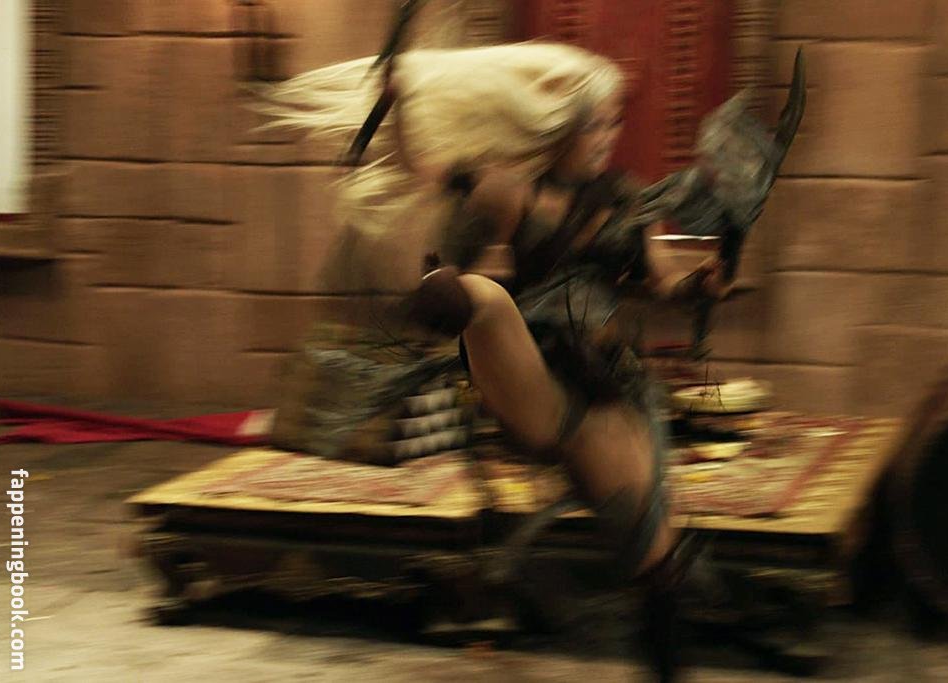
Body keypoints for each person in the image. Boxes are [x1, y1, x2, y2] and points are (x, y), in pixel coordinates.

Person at [262, 42, 738, 680]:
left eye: (614, 123)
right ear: (561, 125)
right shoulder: (507, 190)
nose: (607, 136)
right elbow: (421, 171)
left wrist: (698, 283)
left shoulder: (625, 198)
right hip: (531, 374)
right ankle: (460, 304)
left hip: (607, 389)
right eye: (594, 124)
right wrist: (396, 108)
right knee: (484, 299)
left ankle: (666, 663)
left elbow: (659, 279)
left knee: (653, 554)